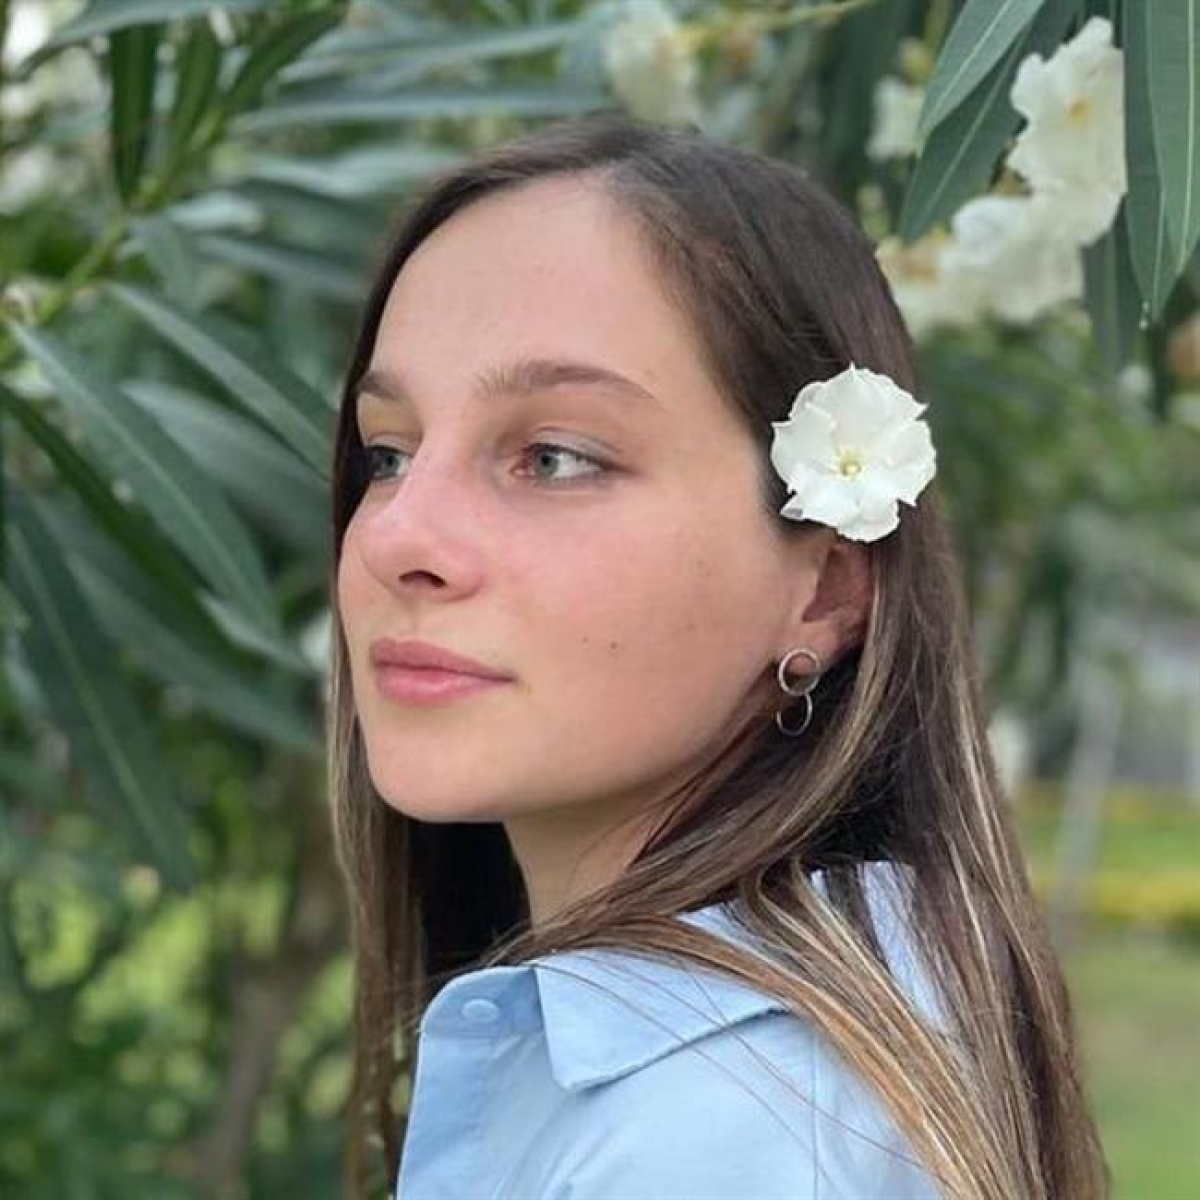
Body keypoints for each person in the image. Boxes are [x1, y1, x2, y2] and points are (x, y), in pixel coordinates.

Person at [327, 113, 1108, 1199]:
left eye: (554, 457)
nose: (397, 536)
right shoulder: (790, 1063)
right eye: (388, 453)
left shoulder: (727, 1135)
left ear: (825, 587)